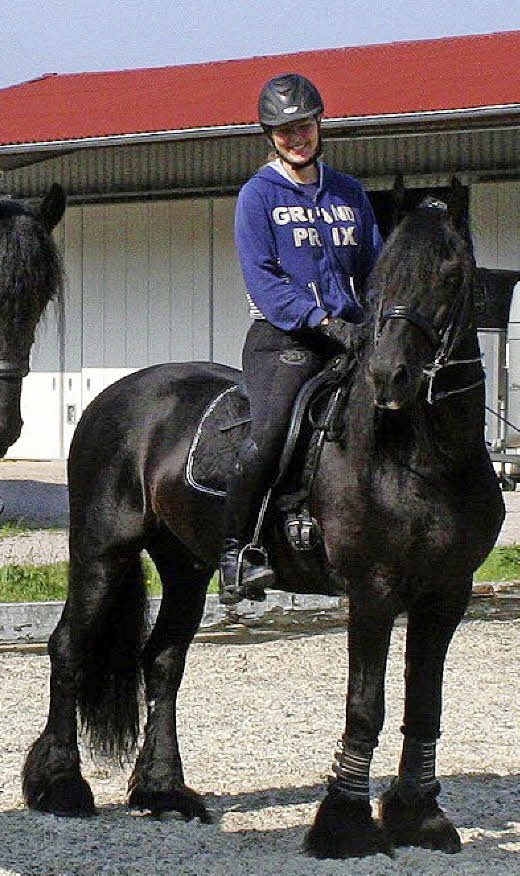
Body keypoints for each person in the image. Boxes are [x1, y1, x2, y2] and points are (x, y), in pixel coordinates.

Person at [219, 73, 382, 604]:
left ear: (319, 125)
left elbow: (374, 267)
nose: (297, 138)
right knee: (271, 434)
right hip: (284, 338)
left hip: (352, 335)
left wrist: (373, 320)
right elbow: (264, 280)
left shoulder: (349, 192)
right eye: (285, 131)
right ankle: (238, 551)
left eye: (304, 126)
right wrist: (321, 320)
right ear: (270, 136)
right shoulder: (258, 196)